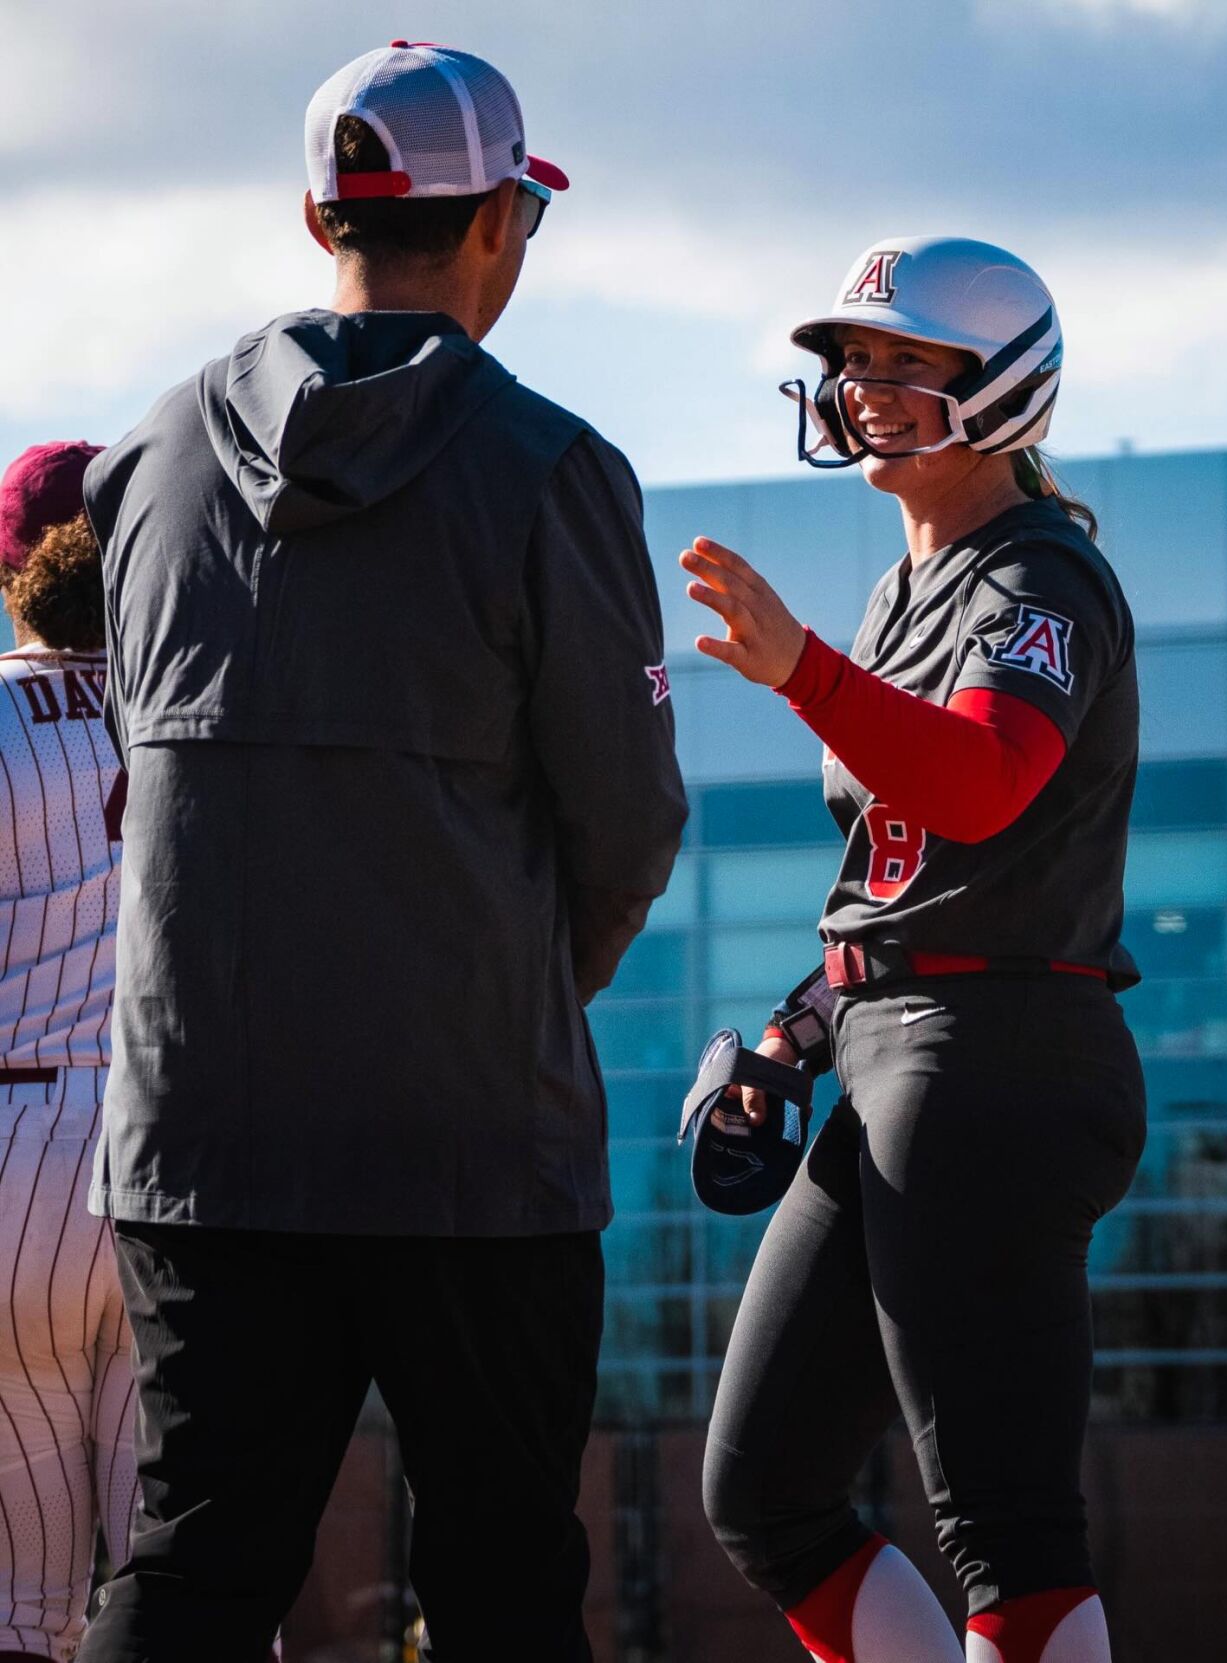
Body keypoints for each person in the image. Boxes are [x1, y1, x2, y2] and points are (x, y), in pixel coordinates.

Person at [75, 41, 685, 1663]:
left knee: (194, 1555)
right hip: (473, 1142)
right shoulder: (554, 467)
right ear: (495, 222)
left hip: (204, 1133)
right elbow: (630, 816)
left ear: (314, 214)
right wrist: (510, 987)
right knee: (498, 1577)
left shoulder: (144, 460)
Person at [684, 237, 1145, 1663]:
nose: (865, 388)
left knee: (1003, 1528)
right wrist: (795, 1032)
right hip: (901, 1046)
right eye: (853, 360)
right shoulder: (907, 591)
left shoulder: (1038, 569)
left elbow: (981, 781)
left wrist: (801, 670)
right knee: (761, 1485)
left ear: (1001, 383)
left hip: (994, 1055)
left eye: (908, 360)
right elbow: (904, 872)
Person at [0, 442, 137, 1661]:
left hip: (15, 1157)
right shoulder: (199, 697)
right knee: (199, 1576)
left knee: (21, 1609)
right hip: (179, 1162)